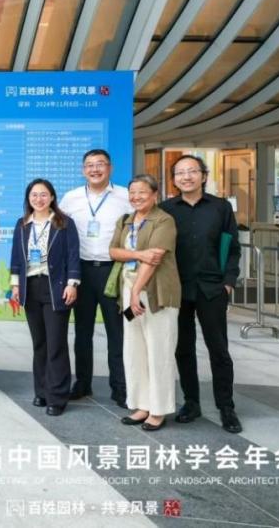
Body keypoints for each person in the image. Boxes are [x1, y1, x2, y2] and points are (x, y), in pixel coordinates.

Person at [160, 155, 243, 433]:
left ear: (203, 176)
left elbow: (233, 248)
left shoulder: (221, 208)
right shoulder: (166, 210)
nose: (186, 177)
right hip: (178, 288)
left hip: (212, 288)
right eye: (180, 173)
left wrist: (228, 282)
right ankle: (191, 402)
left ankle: (226, 407)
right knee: (183, 349)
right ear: (174, 179)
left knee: (218, 349)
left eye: (192, 171)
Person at [58, 149, 133, 406]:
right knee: (82, 332)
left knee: (117, 332)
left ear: (110, 168)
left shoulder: (125, 196)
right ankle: (83, 383)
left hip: (113, 270)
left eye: (100, 164)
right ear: (83, 170)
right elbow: (59, 230)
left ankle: (120, 387)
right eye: (90, 165)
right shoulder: (71, 198)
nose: (95, 169)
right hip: (81, 271)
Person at [109, 174, 181, 431]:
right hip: (129, 289)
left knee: (159, 351)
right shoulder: (125, 221)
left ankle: (158, 409)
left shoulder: (164, 220)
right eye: (132, 192)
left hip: (156, 292)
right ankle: (141, 405)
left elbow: (155, 259)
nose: (136, 197)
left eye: (142, 192)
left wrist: (136, 291)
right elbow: (113, 251)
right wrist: (138, 254)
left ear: (154, 194)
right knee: (134, 350)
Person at [9, 179, 80, 416]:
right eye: (34, 195)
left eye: (43, 195)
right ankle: (41, 391)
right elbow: (16, 257)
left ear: (52, 197)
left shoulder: (64, 223)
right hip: (30, 287)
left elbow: (73, 254)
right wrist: (15, 285)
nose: (38, 199)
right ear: (28, 198)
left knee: (56, 343)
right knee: (39, 343)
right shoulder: (22, 224)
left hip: (56, 288)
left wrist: (72, 284)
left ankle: (57, 397)